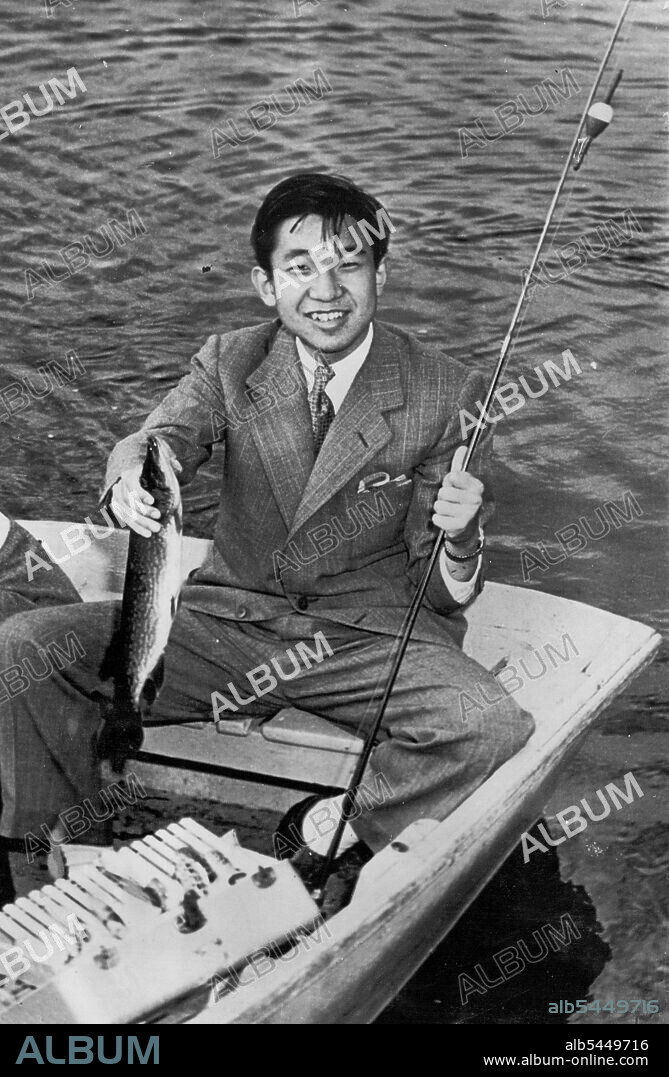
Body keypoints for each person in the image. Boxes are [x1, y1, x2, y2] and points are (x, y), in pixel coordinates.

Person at [0, 172, 533, 911]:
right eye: (300, 266)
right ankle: (47, 858)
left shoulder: (448, 390)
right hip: (226, 628)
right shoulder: (231, 360)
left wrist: (464, 535)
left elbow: (437, 590)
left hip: (366, 641)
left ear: (382, 273)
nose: (327, 289)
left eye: (349, 263)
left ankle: (329, 824)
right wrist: (131, 475)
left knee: (488, 723)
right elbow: (163, 435)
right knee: (24, 647)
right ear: (265, 283)